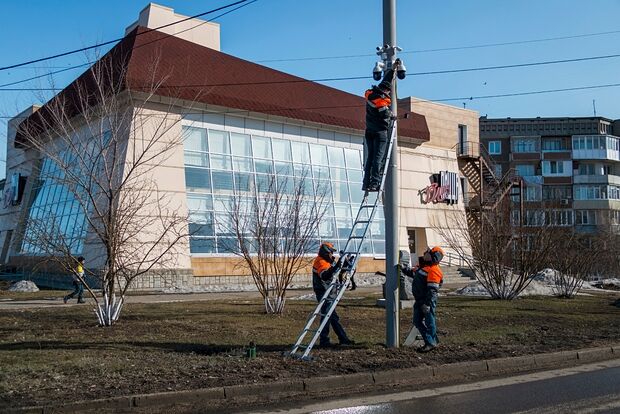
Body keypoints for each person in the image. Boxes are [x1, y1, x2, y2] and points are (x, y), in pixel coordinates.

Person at [362, 60, 401, 192]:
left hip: (369, 131)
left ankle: (366, 183)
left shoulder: (371, 95)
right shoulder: (380, 102)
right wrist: (392, 116)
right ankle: (375, 183)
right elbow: (385, 113)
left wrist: (393, 69)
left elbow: (386, 80)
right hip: (379, 132)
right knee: (378, 158)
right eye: (388, 92)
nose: (389, 94)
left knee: (370, 158)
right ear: (385, 91)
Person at [402, 246, 444, 352]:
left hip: (426, 301)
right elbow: (413, 273)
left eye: (428, 252)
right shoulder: (424, 267)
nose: (425, 253)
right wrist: (402, 268)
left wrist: (427, 304)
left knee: (430, 322)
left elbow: (432, 291)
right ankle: (431, 341)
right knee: (417, 321)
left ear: (434, 256)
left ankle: (431, 342)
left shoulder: (434, 270)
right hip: (420, 300)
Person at [312, 242, 355, 347]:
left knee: (332, 317)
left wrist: (344, 264)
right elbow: (325, 276)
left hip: (329, 291)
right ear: (326, 252)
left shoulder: (327, 261)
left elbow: (336, 270)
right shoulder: (321, 262)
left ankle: (342, 338)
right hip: (323, 292)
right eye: (331, 252)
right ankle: (324, 341)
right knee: (327, 317)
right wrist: (336, 266)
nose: (332, 255)